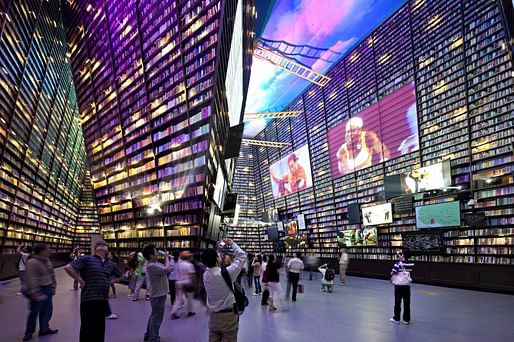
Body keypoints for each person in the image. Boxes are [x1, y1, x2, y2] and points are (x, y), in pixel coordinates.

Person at [63, 239, 123, 342]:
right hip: (89, 298)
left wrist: (110, 282)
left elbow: (121, 275)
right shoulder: (87, 259)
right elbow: (68, 267)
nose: (102, 247)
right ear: (95, 249)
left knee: (100, 327)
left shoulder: (110, 264)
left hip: (103, 298)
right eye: (99, 245)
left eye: (104, 245)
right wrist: (80, 281)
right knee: (87, 327)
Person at [201, 238, 247, 342]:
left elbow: (211, 264)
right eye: (218, 256)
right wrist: (232, 244)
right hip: (228, 316)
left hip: (213, 316)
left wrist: (218, 251)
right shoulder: (227, 273)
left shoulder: (205, 275)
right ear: (217, 259)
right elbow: (242, 256)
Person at [23, 243, 58, 341]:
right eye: (48, 249)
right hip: (38, 289)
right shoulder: (32, 262)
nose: (50, 251)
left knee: (47, 311)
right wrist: (34, 292)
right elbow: (31, 278)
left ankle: (44, 329)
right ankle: (29, 332)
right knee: (34, 312)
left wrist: (53, 286)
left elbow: (52, 273)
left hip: (48, 288)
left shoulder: (47, 260)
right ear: (42, 251)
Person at [143, 245, 172, 342]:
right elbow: (167, 269)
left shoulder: (155, 263)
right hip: (158, 295)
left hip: (159, 293)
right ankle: (153, 338)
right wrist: (167, 257)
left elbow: (166, 268)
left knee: (154, 316)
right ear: (151, 255)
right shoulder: (151, 266)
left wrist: (166, 259)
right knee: (157, 318)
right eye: (155, 252)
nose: (157, 254)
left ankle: (148, 334)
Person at [390, 249, 415, 325]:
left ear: (403, 255)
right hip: (407, 285)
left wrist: (399, 260)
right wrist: (402, 258)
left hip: (398, 286)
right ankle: (406, 320)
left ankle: (396, 318)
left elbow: (393, 272)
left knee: (397, 302)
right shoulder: (411, 264)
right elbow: (405, 266)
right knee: (407, 302)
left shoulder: (397, 264)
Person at [170, 251, 196, 319]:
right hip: (187, 283)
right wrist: (194, 283)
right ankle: (190, 311)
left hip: (178, 282)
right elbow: (192, 276)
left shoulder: (178, 264)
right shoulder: (189, 265)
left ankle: (174, 312)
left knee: (178, 299)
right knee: (190, 298)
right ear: (187, 257)